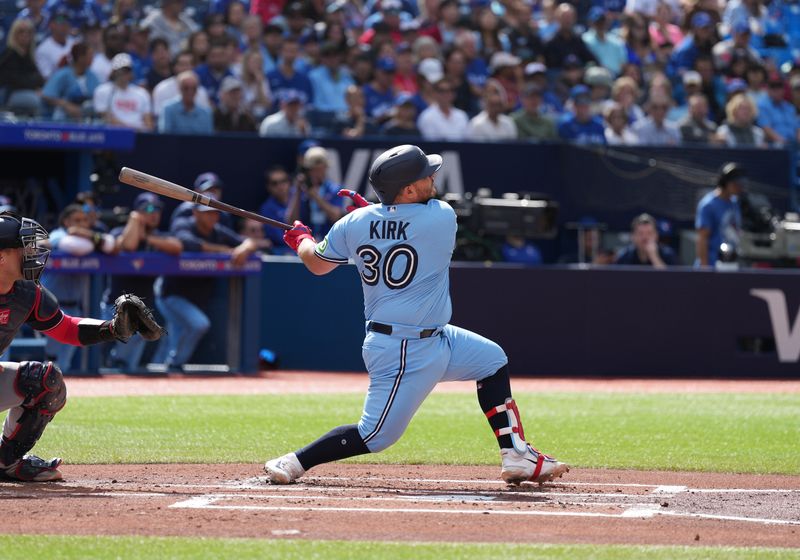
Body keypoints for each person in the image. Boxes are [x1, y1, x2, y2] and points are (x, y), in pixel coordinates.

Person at [264, 144, 569, 486]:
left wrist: (302, 238)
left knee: (491, 359)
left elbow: (316, 263)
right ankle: (293, 462)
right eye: (425, 175)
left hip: (436, 336)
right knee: (376, 436)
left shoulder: (353, 223)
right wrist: (385, 217)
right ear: (407, 189)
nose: (432, 177)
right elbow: (404, 227)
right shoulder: (440, 216)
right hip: (401, 348)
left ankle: (516, 454)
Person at [0, 212, 161, 481]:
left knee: (45, 383)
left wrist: (113, 329)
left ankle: (7, 462)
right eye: (24, 248)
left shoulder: (27, 292)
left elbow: (66, 328)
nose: (32, 252)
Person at [153, 197, 258, 370]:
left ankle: (164, 370)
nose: (212, 217)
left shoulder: (218, 231)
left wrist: (244, 248)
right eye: (207, 213)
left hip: (194, 296)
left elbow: (249, 241)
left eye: (215, 213)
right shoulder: (184, 224)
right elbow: (189, 244)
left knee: (174, 334)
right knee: (197, 324)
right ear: (195, 213)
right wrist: (225, 251)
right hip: (170, 293)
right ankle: (173, 364)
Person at [103, 193, 182, 371]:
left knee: (129, 366)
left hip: (142, 308)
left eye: (157, 210)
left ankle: (118, 361)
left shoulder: (160, 237)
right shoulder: (119, 232)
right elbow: (129, 246)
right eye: (147, 209)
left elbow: (177, 247)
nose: (153, 214)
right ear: (136, 212)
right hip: (113, 307)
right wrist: (134, 221)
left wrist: (147, 238)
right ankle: (114, 360)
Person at [41, 204, 116, 372]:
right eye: (77, 220)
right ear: (66, 221)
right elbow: (52, 243)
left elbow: (113, 246)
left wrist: (87, 234)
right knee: (51, 358)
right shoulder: (58, 234)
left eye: (84, 220)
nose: (82, 223)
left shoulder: (89, 237)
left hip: (74, 306)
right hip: (52, 306)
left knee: (66, 359)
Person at [695, 162, 744, 268]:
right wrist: (705, 268)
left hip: (731, 263)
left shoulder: (735, 202)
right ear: (725, 183)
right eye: (735, 183)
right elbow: (702, 238)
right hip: (712, 264)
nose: (739, 187)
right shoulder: (708, 205)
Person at [92, 53, 154, 131]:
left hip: (139, 136)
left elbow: (148, 121)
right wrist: (132, 130)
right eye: (121, 70)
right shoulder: (102, 91)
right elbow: (107, 119)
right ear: (114, 72)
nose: (123, 74)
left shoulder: (142, 93)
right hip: (115, 134)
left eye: (127, 70)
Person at [0, 18, 45, 117]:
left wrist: (37, 86)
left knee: (47, 97)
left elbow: (39, 78)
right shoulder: (10, 54)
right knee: (36, 100)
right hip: (9, 94)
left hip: (25, 91)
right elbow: (15, 80)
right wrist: (34, 87)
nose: (25, 35)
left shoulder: (29, 55)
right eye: (21, 31)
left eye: (29, 32)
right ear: (14, 34)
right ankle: (39, 130)